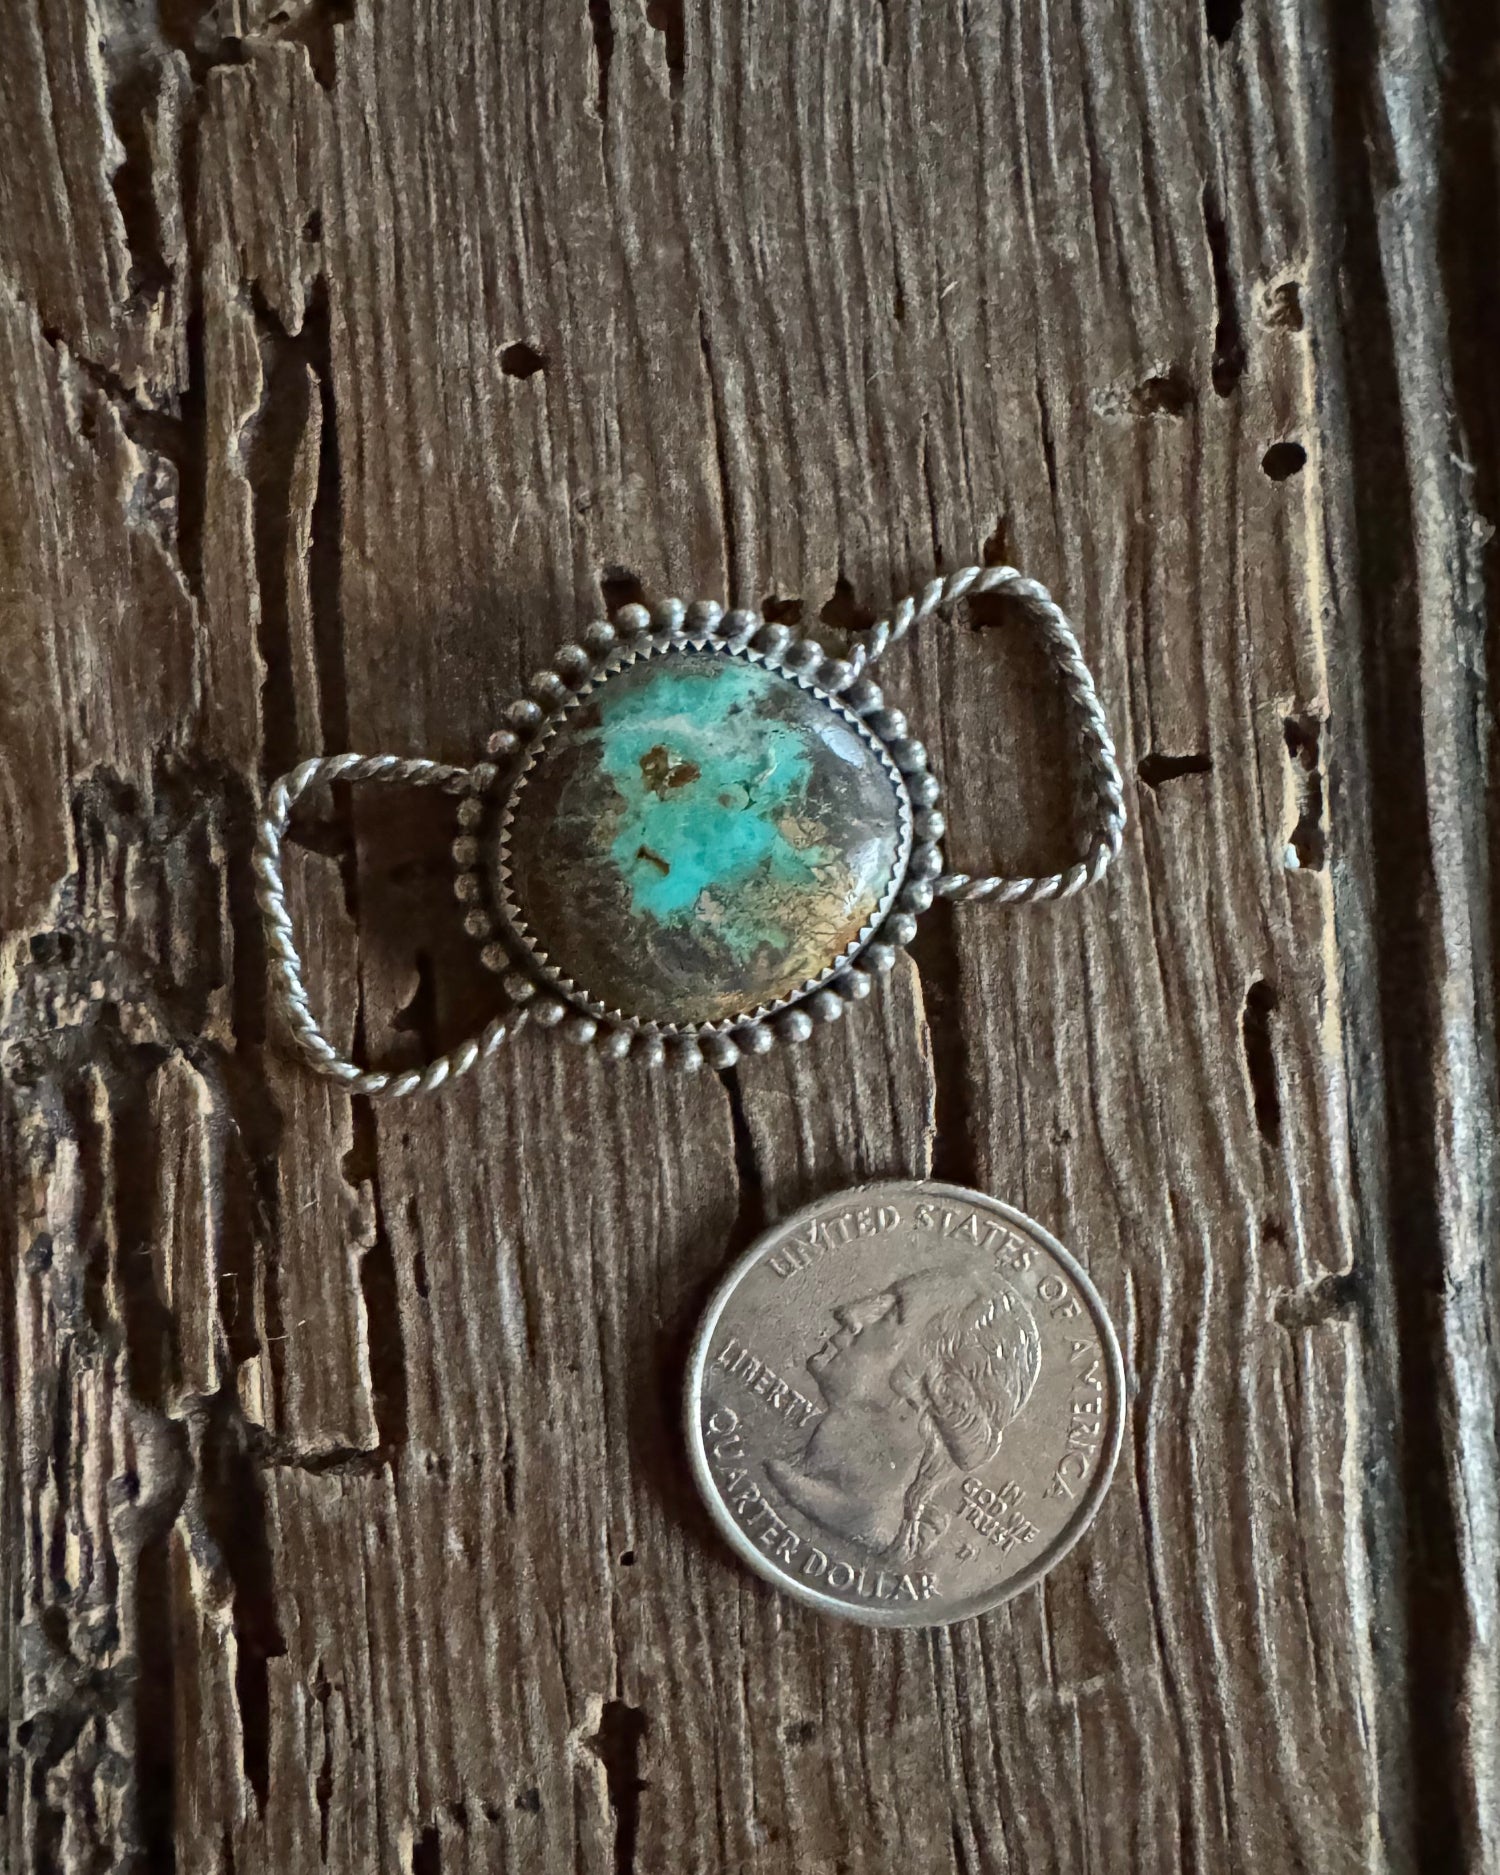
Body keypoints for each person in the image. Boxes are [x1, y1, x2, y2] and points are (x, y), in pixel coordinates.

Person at [767, 1268, 1041, 1563]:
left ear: (940, 1390)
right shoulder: (786, 1472)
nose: (849, 1313)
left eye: (891, 1315)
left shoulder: (796, 1489)